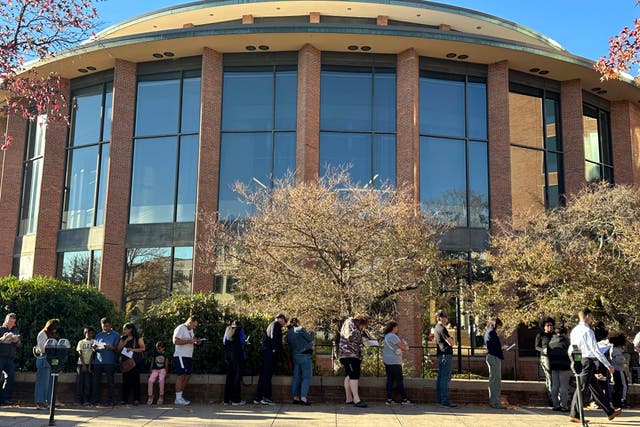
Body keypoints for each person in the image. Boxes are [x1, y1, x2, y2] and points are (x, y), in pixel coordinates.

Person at [568, 309, 621, 423]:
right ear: (587, 316)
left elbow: (573, 348)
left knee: (596, 388)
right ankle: (574, 414)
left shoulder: (575, 331)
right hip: (587, 360)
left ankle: (610, 411)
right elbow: (595, 350)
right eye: (590, 316)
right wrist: (608, 365)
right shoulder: (588, 331)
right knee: (581, 388)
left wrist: (574, 361)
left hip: (579, 358)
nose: (591, 319)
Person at [253, 313, 287, 405]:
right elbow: (275, 338)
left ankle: (258, 397)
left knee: (263, 375)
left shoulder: (270, 324)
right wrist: (275, 350)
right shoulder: (276, 325)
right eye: (284, 321)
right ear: (281, 319)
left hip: (265, 352)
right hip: (270, 354)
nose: (284, 324)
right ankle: (266, 397)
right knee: (267, 375)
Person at [338, 314, 369, 408]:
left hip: (350, 355)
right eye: (363, 325)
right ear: (360, 322)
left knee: (349, 376)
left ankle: (349, 398)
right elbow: (349, 336)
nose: (362, 327)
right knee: (354, 376)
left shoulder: (352, 325)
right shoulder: (349, 323)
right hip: (349, 354)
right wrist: (362, 338)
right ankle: (356, 399)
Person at [173, 315, 202, 405]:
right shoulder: (181, 328)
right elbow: (175, 341)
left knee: (187, 376)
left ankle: (180, 397)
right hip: (181, 356)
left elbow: (191, 340)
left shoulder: (190, 330)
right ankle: (178, 399)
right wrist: (189, 341)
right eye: (194, 325)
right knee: (181, 376)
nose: (194, 327)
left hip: (188, 356)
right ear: (190, 322)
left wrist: (197, 341)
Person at [382, 320, 413, 405]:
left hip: (387, 360)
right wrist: (406, 346)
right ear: (393, 328)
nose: (397, 329)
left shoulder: (387, 336)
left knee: (390, 380)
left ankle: (389, 399)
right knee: (399, 380)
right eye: (397, 327)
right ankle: (404, 399)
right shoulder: (393, 336)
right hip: (394, 361)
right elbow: (403, 347)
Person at [91, 317, 120, 406]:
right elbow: (94, 347)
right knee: (96, 382)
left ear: (110, 325)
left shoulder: (116, 335)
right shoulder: (98, 335)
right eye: (103, 326)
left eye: (107, 326)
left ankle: (111, 400)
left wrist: (109, 347)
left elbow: (117, 348)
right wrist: (94, 347)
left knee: (110, 382)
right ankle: (96, 400)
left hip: (109, 362)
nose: (105, 328)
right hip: (98, 361)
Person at [287, 318, 315, 405]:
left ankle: (295, 398)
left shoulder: (289, 333)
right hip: (304, 356)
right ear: (297, 322)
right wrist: (312, 331)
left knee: (296, 377)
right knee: (306, 377)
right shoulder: (300, 329)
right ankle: (303, 398)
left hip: (295, 357)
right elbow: (310, 338)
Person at [117, 323, 145, 405]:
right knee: (125, 381)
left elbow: (143, 348)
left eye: (125, 329)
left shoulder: (137, 338)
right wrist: (126, 341)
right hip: (126, 362)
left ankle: (136, 399)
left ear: (130, 329)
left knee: (135, 380)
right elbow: (118, 349)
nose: (124, 330)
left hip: (135, 361)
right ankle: (124, 399)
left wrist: (133, 350)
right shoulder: (123, 338)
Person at [34, 318, 60, 409]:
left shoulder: (51, 334)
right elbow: (41, 348)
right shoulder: (43, 334)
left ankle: (49, 401)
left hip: (50, 359)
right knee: (42, 382)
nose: (55, 329)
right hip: (44, 358)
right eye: (54, 327)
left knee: (50, 382)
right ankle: (40, 402)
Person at [434, 310, 456, 407]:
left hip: (441, 354)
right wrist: (452, 339)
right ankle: (444, 400)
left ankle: (440, 399)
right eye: (444, 317)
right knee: (445, 379)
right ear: (440, 318)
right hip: (445, 355)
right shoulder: (442, 328)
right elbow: (451, 342)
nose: (446, 318)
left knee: (440, 378)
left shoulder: (436, 328)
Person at [484, 317, 507, 409]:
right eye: (498, 325)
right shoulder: (491, 333)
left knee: (493, 379)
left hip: (491, 356)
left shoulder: (487, 332)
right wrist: (502, 348)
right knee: (496, 381)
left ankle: (494, 401)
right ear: (495, 324)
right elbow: (493, 347)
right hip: (493, 357)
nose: (498, 327)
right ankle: (495, 402)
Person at [223, 320, 247, 406]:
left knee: (229, 377)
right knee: (237, 377)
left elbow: (224, 341)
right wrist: (246, 342)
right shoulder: (240, 330)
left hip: (228, 356)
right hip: (237, 355)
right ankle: (236, 400)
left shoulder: (227, 329)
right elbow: (242, 341)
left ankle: (226, 399)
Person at [547, 326, 571, 412]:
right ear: (565, 333)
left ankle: (555, 405)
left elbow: (548, 353)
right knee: (563, 386)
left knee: (555, 386)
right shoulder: (567, 342)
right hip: (565, 365)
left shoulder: (551, 342)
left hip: (553, 365)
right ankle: (564, 406)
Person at [0, 313, 20, 406]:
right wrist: (2, 338)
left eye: (13, 322)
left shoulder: (15, 330)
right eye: (10, 321)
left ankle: (5, 398)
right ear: (6, 320)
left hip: (10, 358)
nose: (11, 324)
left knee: (10, 377)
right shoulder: (1, 329)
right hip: (1, 356)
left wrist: (16, 341)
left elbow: (18, 344)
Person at [535, 317, 555, 405]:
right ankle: (551, 397)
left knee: (555, 377)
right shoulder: (541, 335)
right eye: (548, 325)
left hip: (555, 357)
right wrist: (543, 350)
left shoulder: (555, 335)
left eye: (551, 325)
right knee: (549, 376)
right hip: (545, 357)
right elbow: (536, 347)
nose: (550, 327)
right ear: (544, 327)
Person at [75, 326, 95, 406]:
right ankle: (78, 399)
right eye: (88, 333)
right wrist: (83, 365)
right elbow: (80, 353)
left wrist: (89, 365)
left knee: (87, 383)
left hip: (89, 364)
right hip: (81, 364)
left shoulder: (94, 342)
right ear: (85, 333)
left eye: (91, 333)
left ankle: (86, 399)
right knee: (80, 382)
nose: (90, 335)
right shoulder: (81, 342)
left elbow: (93, 354)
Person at [609, 333, 629, 408]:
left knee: (617, 386)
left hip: (615, 369)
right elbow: (618, 360)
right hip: (619, 370)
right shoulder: (617, 350)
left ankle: (617, 401)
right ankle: (622, 400)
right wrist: (624, 360)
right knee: (624, 385)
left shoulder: (612, 348)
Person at [147, 341, 170, 405]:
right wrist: (150, 369)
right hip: (155, 370)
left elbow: (166, 364)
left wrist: (166, 372)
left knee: (161, 380)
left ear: (163, 348)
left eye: (159, 348)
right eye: (157, 348)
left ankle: (161, 396)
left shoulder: (166, 354)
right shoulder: (154, 353)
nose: (157, 350)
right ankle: (150, 396)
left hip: (162, 369)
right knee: (150, 381)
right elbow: (152, 362)